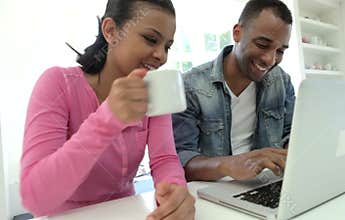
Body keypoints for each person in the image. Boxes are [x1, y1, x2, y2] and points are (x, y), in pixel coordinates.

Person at [20, 0, 195, 219]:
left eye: (167, 46)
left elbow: (164, 159)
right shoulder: (57, 84)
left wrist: (175, 194)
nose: (162, 55)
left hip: (127, 212)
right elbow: (36, 198)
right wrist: (108, 118)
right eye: (151, 39)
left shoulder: (153, 89)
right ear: (111, 31)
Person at [172, 0, 295, 182]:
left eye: (280, 51)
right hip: (213, 190)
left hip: (266, 183)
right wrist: (230, 165)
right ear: (237, 33)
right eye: (262, 45)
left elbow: (290, 133)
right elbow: (180, 161)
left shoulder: (281, 82)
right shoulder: (190, 86)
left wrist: (296, 148)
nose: (270, 60)